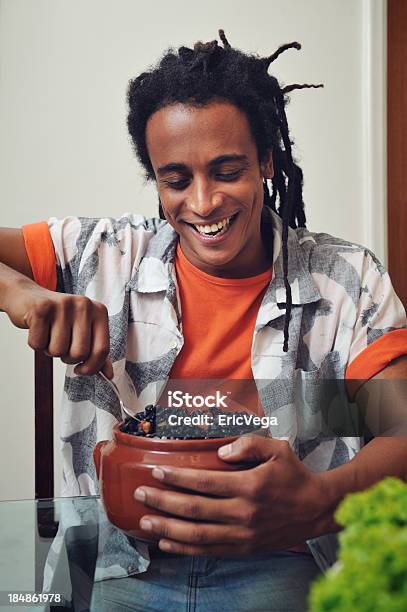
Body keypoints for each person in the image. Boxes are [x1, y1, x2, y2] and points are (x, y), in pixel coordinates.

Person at [1, 30, 407, 611]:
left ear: (266, 160)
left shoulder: (343, 279)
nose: (202, 202)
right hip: (117, 564)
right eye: (176, 179)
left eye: (227, 170)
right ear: (156, 180)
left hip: (278, 559)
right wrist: (21, 293)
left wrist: (317, 500)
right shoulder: (103, 255)